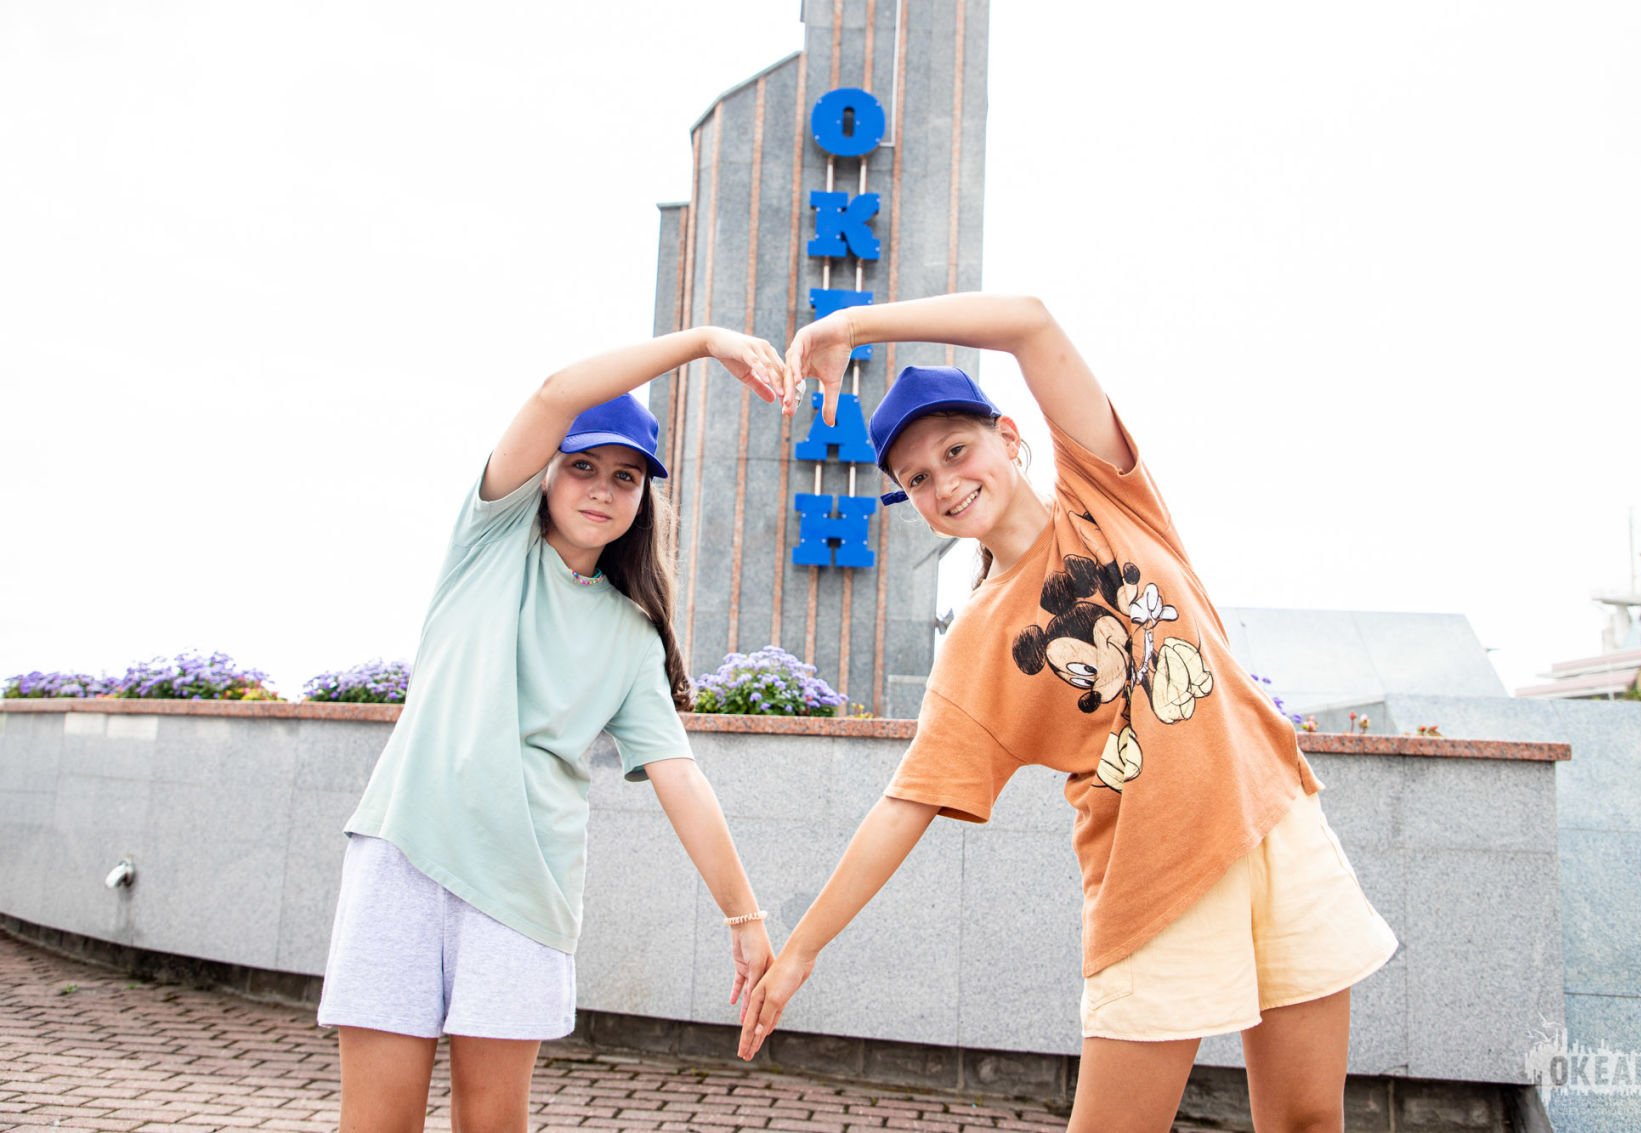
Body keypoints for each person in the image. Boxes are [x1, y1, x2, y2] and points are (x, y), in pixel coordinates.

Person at [742, 293, 1398, 1133]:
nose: (946, 483)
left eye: (956, 450)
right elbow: (906, 802)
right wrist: (800, 950)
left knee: (1308, 1120)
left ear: (1008, 437)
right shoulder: (978, 640)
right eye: (919, 479)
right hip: (1153, 877)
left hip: (1275, 820)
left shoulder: (1106, 494)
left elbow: (1029, 321)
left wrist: (854, 326)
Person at [317, 328, 792, 1133]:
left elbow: (680, 777)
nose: (602, 489)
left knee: (492, 1121)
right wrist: (704, 342)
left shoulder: (633, 635)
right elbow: (553, 394)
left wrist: (746, 920)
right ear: (546, 474)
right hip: (402, 857)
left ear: (643, 498)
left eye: (625, 477)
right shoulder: (489, 539)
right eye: (583, 466)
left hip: (523, 893)